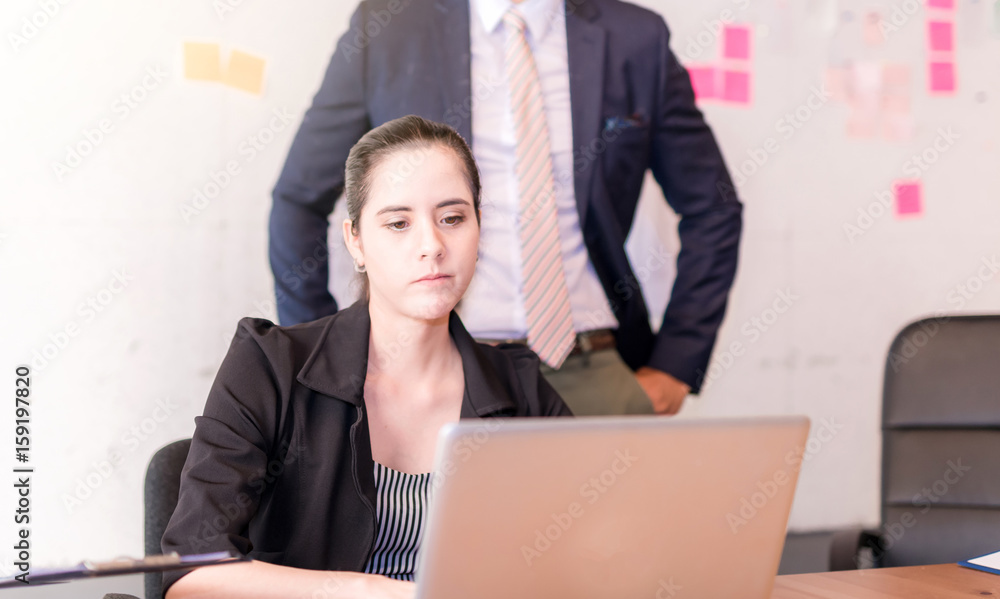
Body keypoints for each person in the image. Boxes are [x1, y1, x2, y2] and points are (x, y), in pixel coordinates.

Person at [269, 0, 743, 417]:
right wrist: (328, 359)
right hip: (430, 366)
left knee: (612, 522)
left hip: (591, 370)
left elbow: (714, 209)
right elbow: (298, 200)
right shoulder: (391, 26)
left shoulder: (636, 38)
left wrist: (678, 362)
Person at [162, 116, 571, 599]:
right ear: (356, 240)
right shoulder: (270, 366)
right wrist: (393, 594)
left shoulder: (522, 389)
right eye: (398, 223)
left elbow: (586, 558)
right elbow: (192, 577)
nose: (432, 246)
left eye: (453, 218)